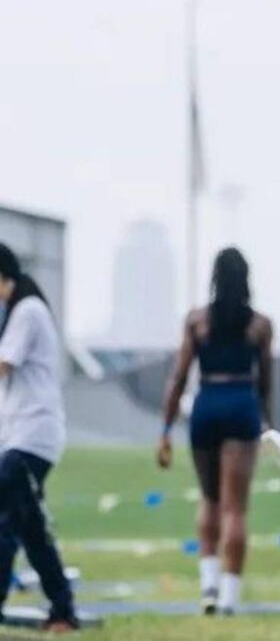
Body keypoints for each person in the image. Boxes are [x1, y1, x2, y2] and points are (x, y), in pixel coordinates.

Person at [157, 247, 273, 616]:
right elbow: (266, 381)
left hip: (206, 404)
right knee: (236, 508)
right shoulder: (260, 325)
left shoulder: (196, 321)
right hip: (242, 404)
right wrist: (268, 423)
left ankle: (208, 587)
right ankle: (229, 598)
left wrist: (165, 430)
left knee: (209, 499)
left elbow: (178, 377)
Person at [0, 243, 79, 631]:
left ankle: (62, 607)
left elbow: (3, 363)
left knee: (6, 523)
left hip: (32, 436)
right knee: (27, 527)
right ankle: (62, 609)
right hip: (23, 435)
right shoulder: (20, 311)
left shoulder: (28, 311)